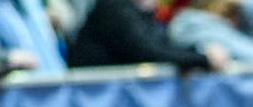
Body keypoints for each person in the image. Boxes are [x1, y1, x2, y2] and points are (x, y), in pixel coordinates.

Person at [66, 0, 225, 70]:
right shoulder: (114, 8)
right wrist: (203, 60)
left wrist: (199, 52)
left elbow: (163, 45)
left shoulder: (142, 12)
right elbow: (149, 51)